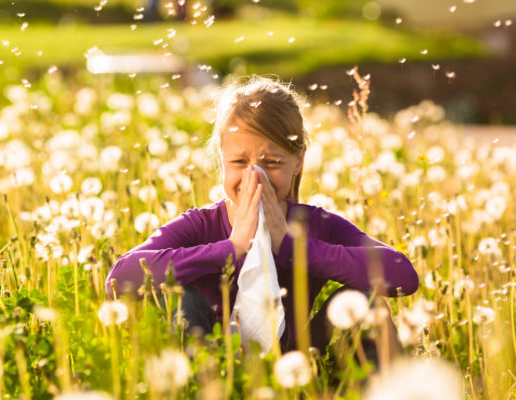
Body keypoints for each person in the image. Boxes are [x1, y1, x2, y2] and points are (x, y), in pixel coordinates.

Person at [105, 75, 419, 357]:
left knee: (366, 302)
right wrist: (230, 249)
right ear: (221, 160)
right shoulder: (200, 225)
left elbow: (403, 275)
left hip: (298, 362)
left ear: (298, 162)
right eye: (240, 161)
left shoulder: (314, 225)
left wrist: (295, 247)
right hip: (210, 362)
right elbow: (119, 279)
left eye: (272, 163)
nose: (255, 176)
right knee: (178, 297)